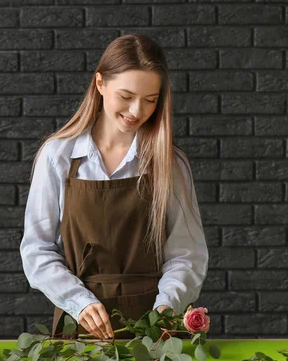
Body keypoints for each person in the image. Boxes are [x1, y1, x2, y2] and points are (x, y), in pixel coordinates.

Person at [20, 34, 208, 340]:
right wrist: (79, 303)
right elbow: (36, 250)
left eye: (150, 100)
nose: (137, 111)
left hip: (154, 331)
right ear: (100, 84)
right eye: (126, 96)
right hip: (80, 325)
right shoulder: (59, 156)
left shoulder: (169, 163)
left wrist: (167, 307)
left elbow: (188, 255)